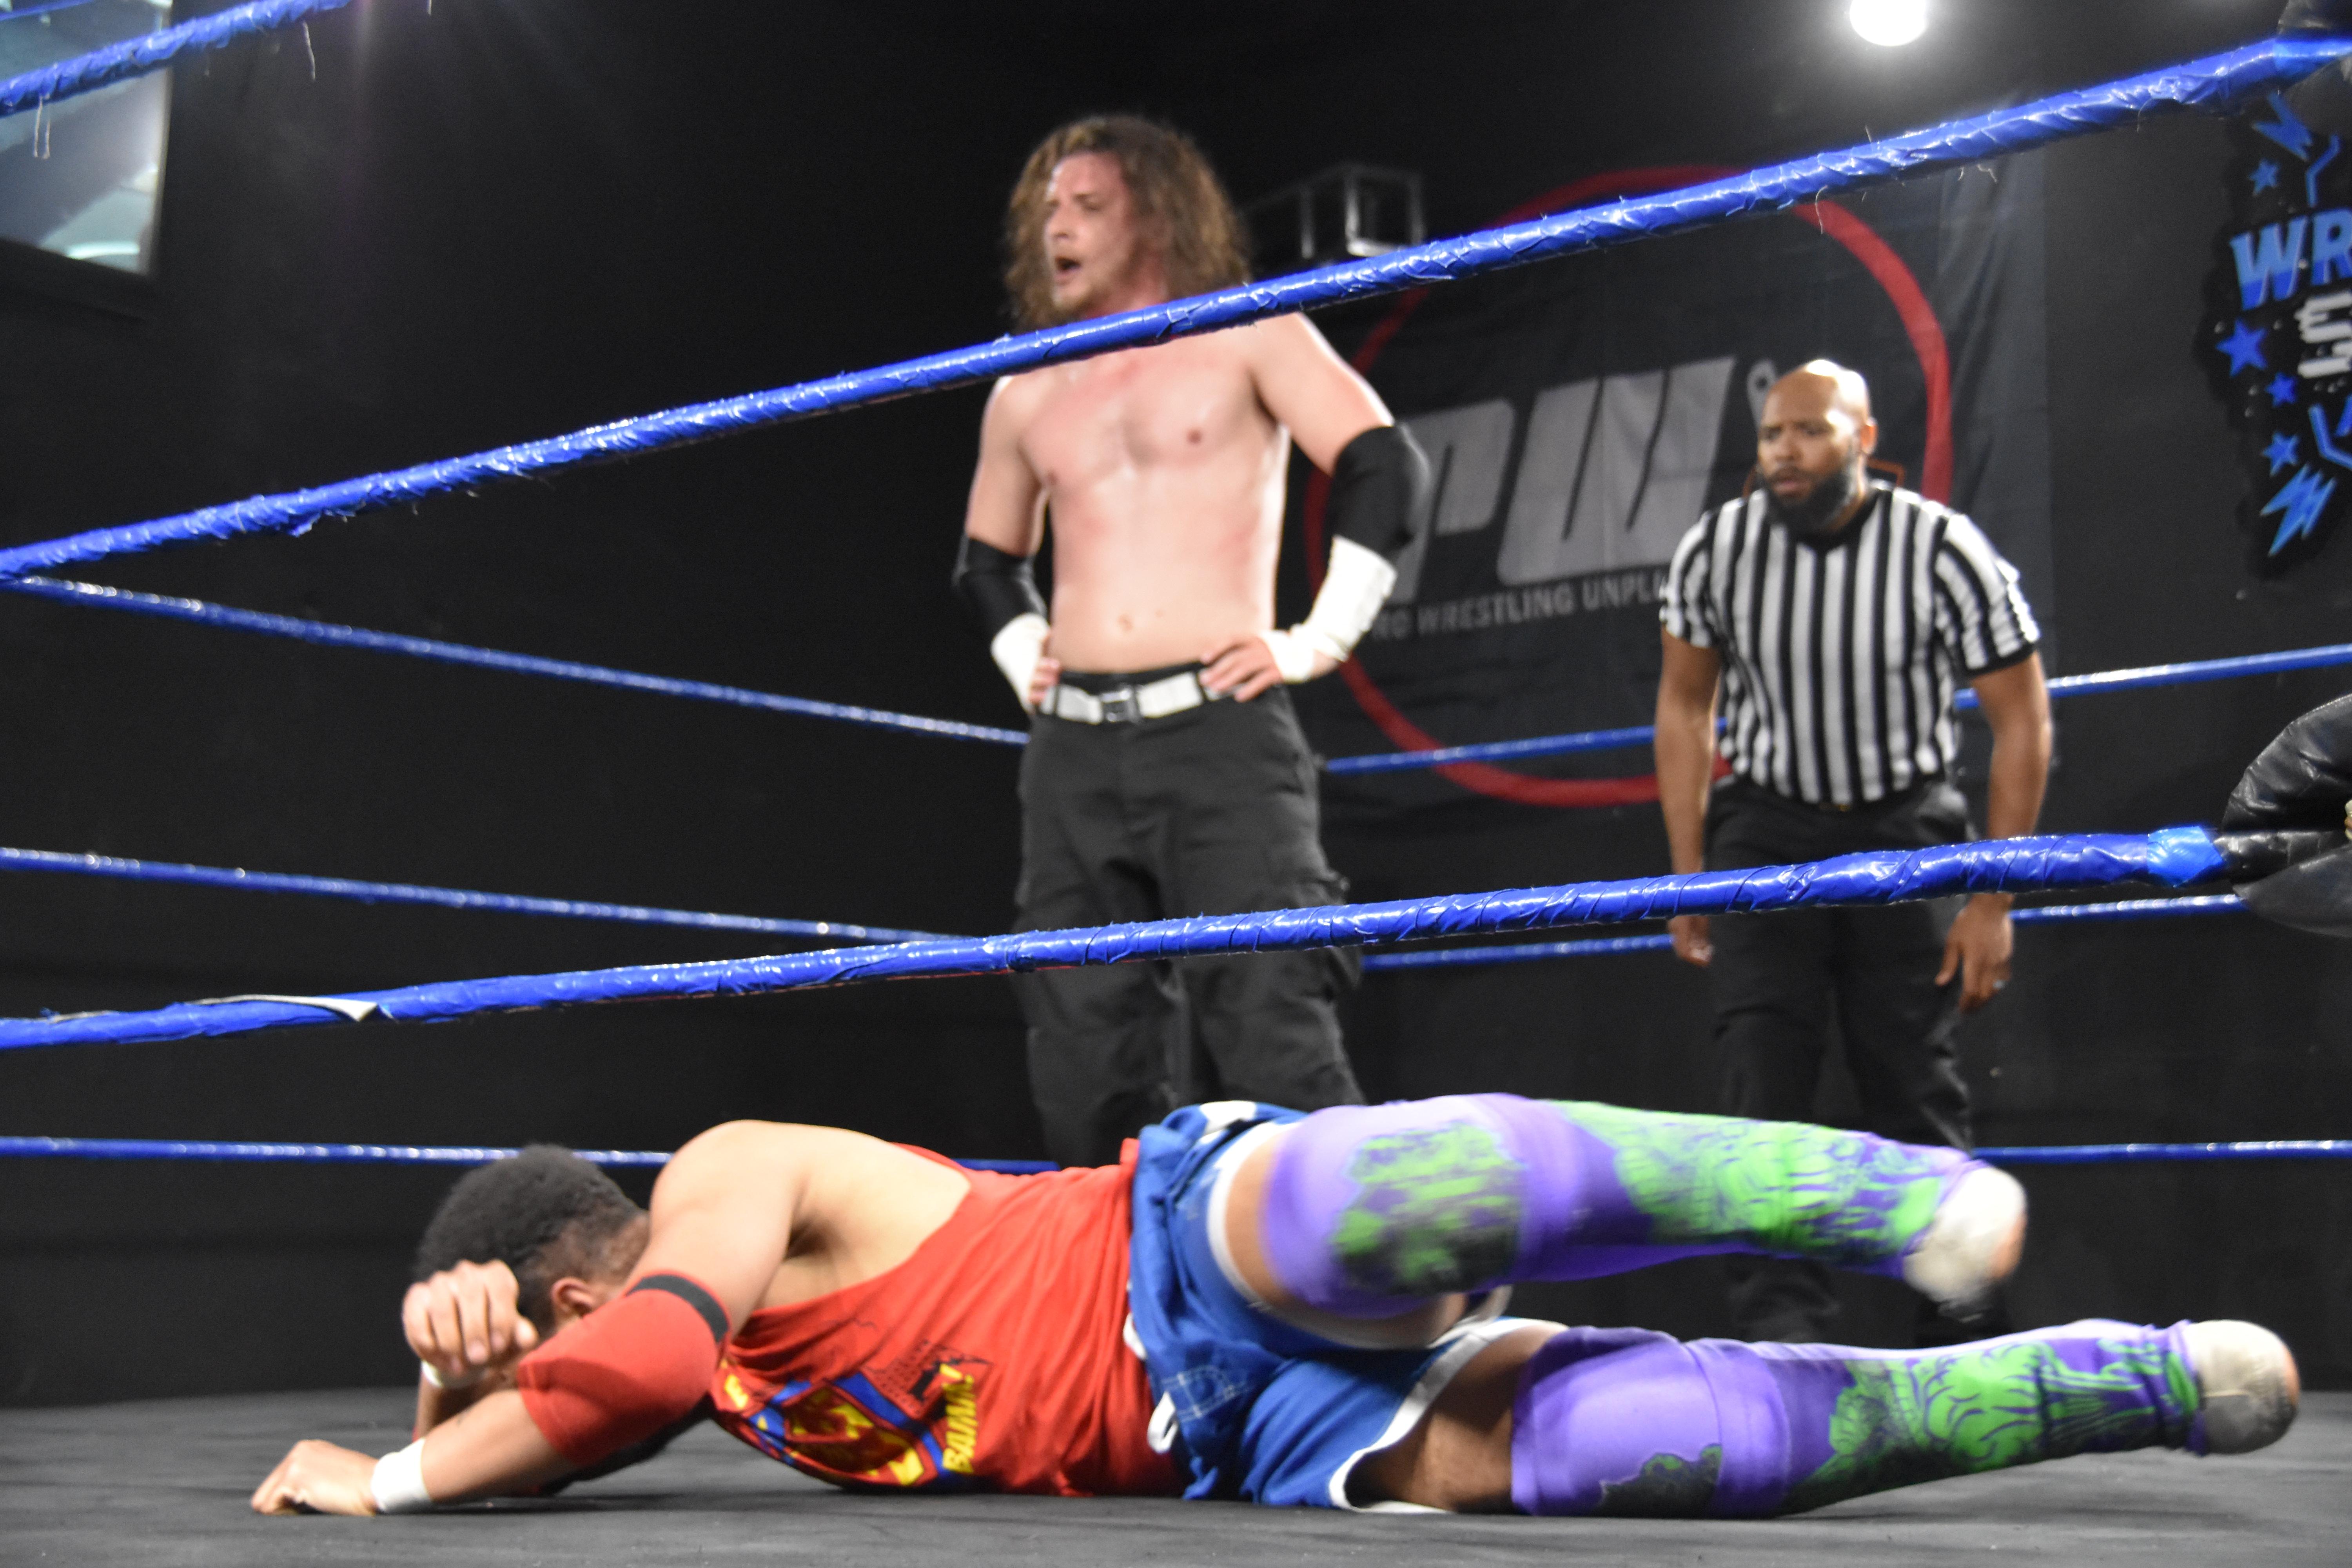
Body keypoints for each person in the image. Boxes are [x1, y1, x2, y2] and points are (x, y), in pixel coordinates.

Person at [251, 1093, 2297, 1520]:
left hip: (1176, 1245)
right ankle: (2132, 1385)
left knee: (1389, 1190)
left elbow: (634, 1359)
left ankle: (1873, 1191)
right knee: (1662, 1447)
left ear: (573, 1277)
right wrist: (451, 1395)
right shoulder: (707, 1396)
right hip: (1265, 1438)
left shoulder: (718, 1177)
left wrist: (396, 1477)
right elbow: (568, 1444)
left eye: (542, 1325)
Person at [953, 116, 1430, 1167]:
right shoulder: (1025, 386)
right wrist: (1026, 655)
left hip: (1218, 732)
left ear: (1157, 216)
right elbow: (987, 562)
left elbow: (1385, 463)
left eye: (1088, 207)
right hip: (1073, 753)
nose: (1057, 229)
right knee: (1083, 1060)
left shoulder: (1249, 333)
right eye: (1047, 211)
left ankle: (1349, 1266)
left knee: (1275, 1029)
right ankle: (1122, 1275)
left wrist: (1318, 638)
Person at [1655, 360, 2055, 1345]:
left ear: (1864, 438)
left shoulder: (1940, 546)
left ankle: (1960, 1332)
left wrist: (1993, 898)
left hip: (1903, 828)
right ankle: (1778, 1332)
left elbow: (2024, 719)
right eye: (1771, 434)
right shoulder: (1717, 547)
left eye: (1810, 430)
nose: (1785, 451)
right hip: (1766, 827)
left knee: (1913, 1082)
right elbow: (1684, 705)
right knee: (1760, 1080)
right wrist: (1690, 870)